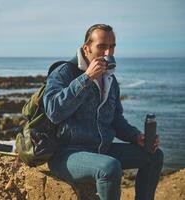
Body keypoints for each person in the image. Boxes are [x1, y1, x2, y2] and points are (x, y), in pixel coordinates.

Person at [43, 24, 163, 200]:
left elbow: (115, 119)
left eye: (112, 46)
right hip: (66, 154)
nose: (108, 53)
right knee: (109, 167)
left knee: (154, 156)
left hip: (101, 150)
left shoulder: (109, 79)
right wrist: (86, 78)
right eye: (102, 46)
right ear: (86, 48)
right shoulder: (63, 72)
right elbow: (53, 112)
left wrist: (136, 136)